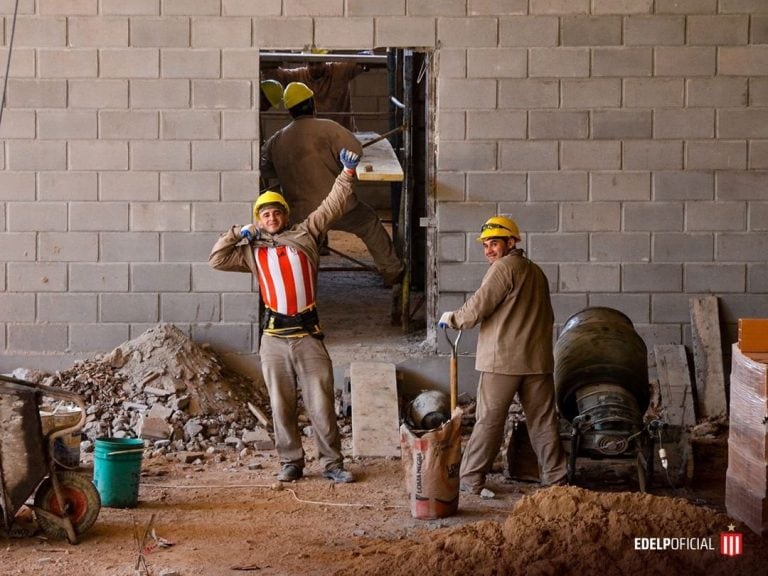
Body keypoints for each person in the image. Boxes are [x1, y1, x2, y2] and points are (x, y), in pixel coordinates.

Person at [209, 149, 362, 484]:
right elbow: (217, 259)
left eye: (276, 212)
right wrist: (237, 233)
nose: (271, 218)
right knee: (281, 404)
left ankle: (332, 463)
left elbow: (331, 207)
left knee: (320, 404)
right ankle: (291, 461)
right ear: (258, 218)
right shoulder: (251, 250)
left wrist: (347, 173)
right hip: (274, 338)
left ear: (285, 215)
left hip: (307, 335)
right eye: (265, 214)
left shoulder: (305, 235)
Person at [437, 216, 568, 493]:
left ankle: (471, 480)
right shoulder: (536, 272)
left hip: (503, 362)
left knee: (489, 422)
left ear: (512, 242)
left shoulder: (503, 268)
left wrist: (453, 319)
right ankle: (557, 481)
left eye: (494, 243)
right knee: (544, 423)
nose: (489, 251)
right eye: (485, 245)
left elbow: (477, 308)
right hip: (537, 362)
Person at [261, 81, 404, 286]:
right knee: (369, 224)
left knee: (301, 243)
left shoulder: (277, 139)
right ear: (312, 103)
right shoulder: (329, 128)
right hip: (340, 208)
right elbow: (356, 151)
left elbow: (264, 168)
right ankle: (392, 272)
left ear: (290, 110)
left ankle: (297, 281)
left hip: (301, 214)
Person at [264, 49, 367, 131]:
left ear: (325, 60)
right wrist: (271, 60)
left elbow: (363, 61)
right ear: (306, 63)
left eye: (318, 63)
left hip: (342, 133)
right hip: (315, 136)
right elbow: (276, 74)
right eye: (311, 64)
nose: (314, 67)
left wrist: (366, 57)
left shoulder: (340, 71)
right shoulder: (298, 76)